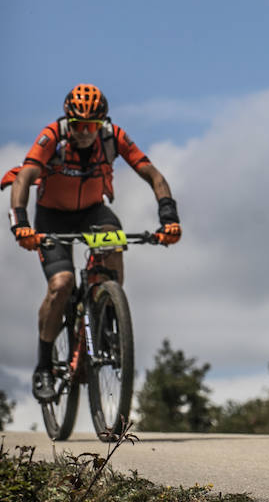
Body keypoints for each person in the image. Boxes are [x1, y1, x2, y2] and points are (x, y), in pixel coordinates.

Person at [4, 84, 181, 402]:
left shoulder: (114, 138)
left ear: (101, 124)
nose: (84, 133)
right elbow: (23, 178)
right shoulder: (51, 137)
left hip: (93, 212)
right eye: (78, 125)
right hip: (52, 217)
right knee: (62, 283)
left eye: (91, 126)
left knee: (113, 248)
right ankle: (44, 366)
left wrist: (169, 217)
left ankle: (108, 320)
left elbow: (154, 176)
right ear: (68, 121)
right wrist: (21, 224)